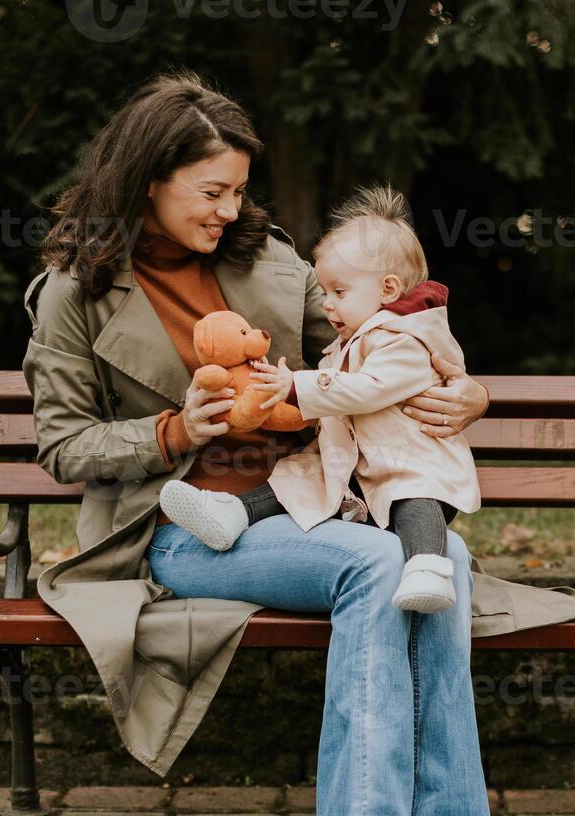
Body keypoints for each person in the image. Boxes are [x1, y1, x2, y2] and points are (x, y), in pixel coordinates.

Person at [23, 70, 575, 816]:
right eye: (210, 191)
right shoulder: (74, 294)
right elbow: (64, 446)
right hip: (184, 527)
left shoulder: (270, 262)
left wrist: (465, 387)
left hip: (319, 494)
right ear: (146, 181)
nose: (228, 208)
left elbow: (382, 346)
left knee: (430, 563)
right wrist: (176, 427)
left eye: (239, 190)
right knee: (378, 568)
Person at [160, 184, 480, 614]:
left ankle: (428, 567)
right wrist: (278, 398)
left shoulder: (407, 341)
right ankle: (233, 512)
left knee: (413, 498)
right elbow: (332, 393)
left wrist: (297, 385)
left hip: (408, 462)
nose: (327, 305)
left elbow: (368, 390)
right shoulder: (352, 337)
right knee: (299, 476)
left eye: (338, 293)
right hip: (360, 465)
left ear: (388, 289)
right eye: (324, 292)